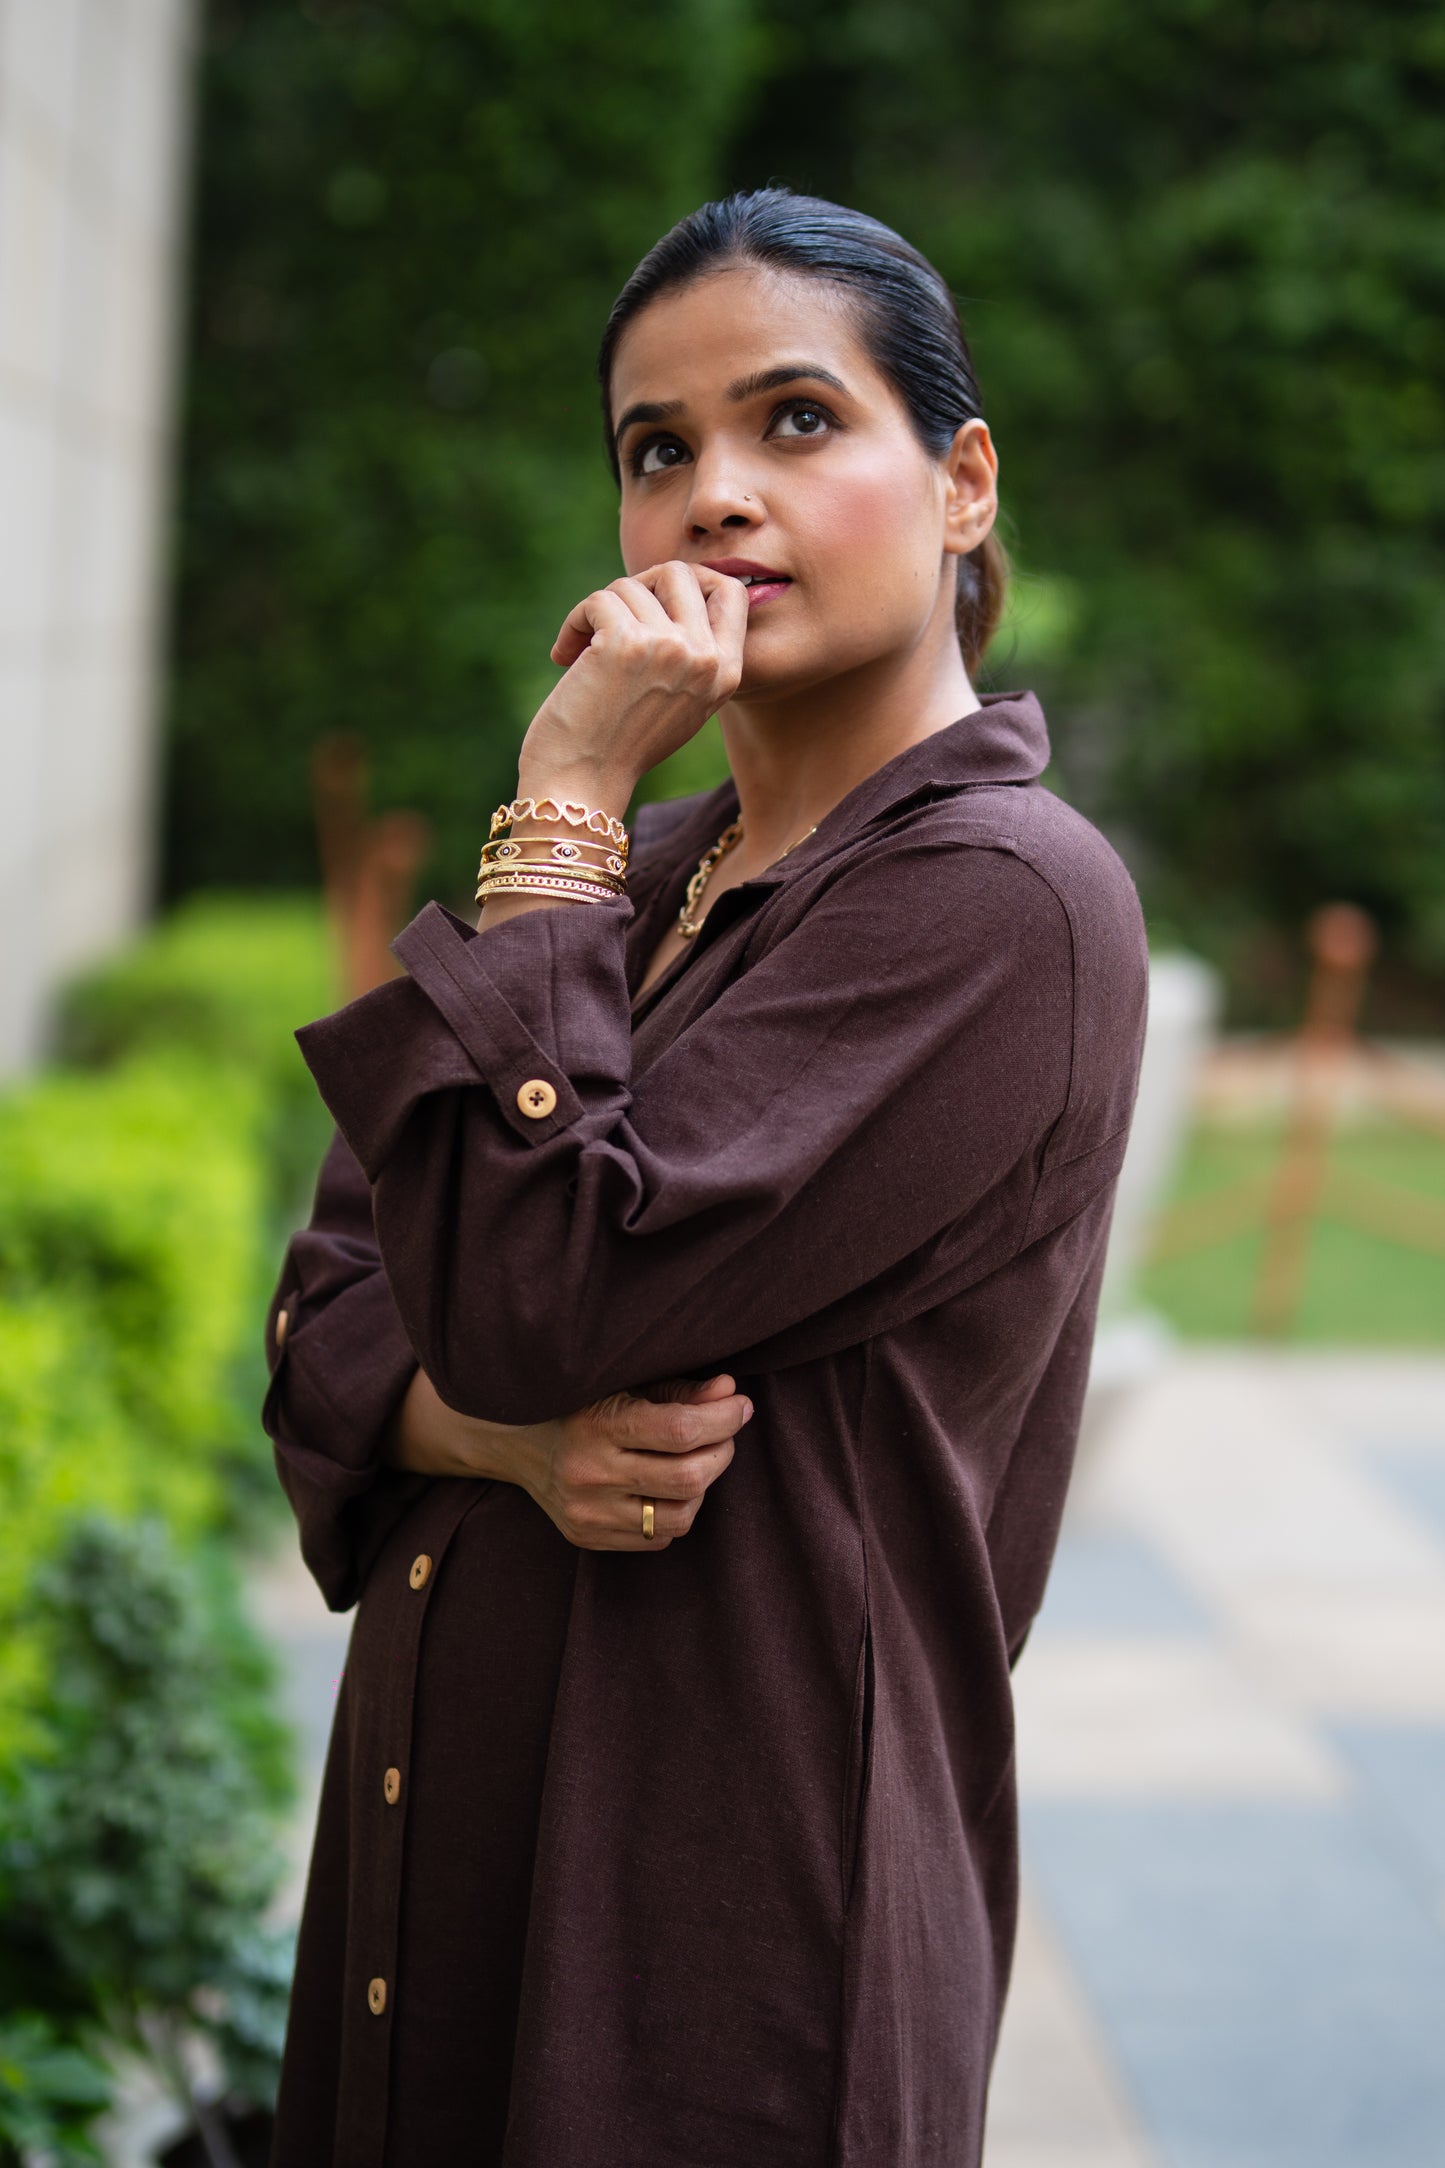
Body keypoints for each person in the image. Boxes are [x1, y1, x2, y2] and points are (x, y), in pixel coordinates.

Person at [263, 186, 1147, 2168]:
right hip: (437, 1904)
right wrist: (496, 1442)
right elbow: (328, 1312)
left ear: (964, 485)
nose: (713, 497)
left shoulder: (1002, 900)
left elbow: (529, 1295)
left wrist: (561, 794)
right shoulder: (634, 888)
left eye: (799, 422)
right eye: (658, 451)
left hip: (716, 1957)